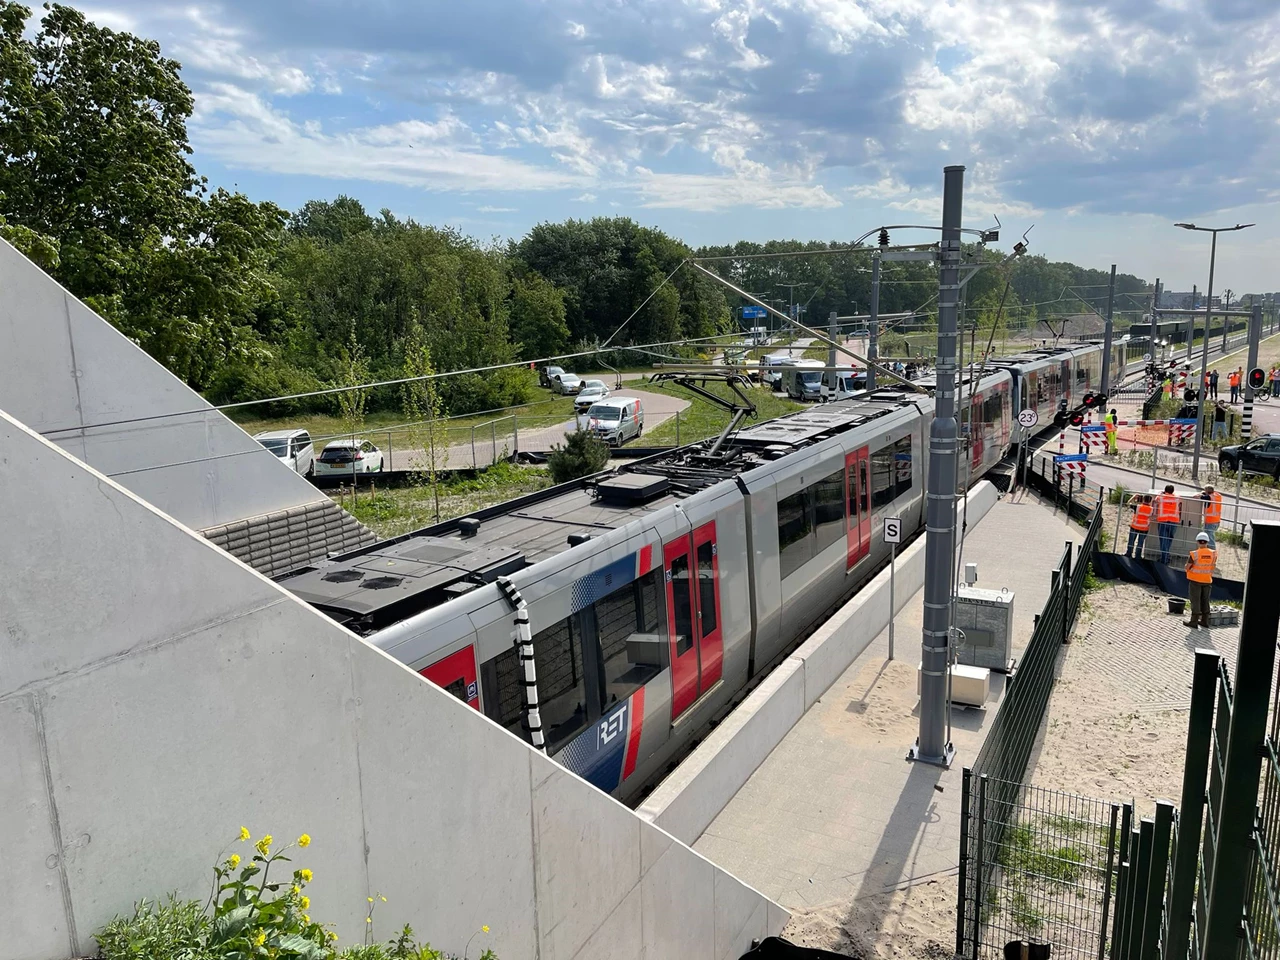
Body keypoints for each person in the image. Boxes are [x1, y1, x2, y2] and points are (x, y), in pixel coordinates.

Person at [1184, 532, 1217, 630]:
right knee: (1205, 600)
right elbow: (1213, 565)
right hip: (1207, 580)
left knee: (1195, 600)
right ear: (1207, 542)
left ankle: (1194, 621)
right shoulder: (1213, 553)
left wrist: (1186, 568)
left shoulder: (1194, 554)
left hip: (1195, 580)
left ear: (1197, 542)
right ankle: (1205, 621)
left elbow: (1187, 566)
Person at [1155, 484, 1181, 564]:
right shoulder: (1177, 498)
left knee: (1163, 540)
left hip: (1163, 520)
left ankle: (1164, 559)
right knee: (1169, 540)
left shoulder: (1161, 497)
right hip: (1174, 521)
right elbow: (1178, 496)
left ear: (1165, 490)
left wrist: (1161, 492)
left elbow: (1156, 499)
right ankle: (1166, 556)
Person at [1126, 494, 1153, 558]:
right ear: (1150, 501)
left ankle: (1129, 554)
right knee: (1140, 543)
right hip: (1144, 528)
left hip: (1135, 526)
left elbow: (1128, 503)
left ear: (1143, 499)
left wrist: (1133, 497)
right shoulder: (1151, 509)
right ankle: (1138, 556)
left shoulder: (1138, 507)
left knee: (1131, 542)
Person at [1201, 483, 1223, 547]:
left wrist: (1202, 494)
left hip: (1210, 522)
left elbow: (1200, 497)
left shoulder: (1208, 497)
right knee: (1209, 538)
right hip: (1216, 521)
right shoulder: (1218, 496)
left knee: (1210, 540)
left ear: (1207, 491)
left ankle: (1213, 554)